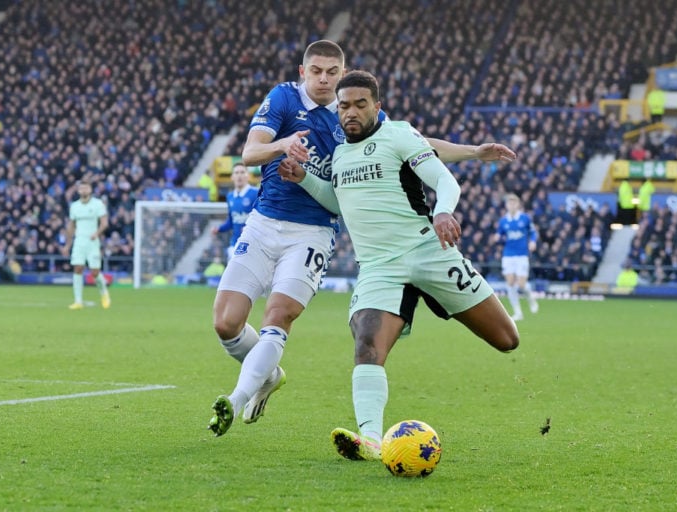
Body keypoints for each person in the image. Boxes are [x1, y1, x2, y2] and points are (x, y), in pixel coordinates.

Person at [207, 41, 518, 438]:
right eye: (317, 72)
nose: (346, 107)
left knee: (506, 340)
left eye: (333, 73)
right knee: (241, 325)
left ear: (364, 95)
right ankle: (356, 431)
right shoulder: (304, 117)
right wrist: (294, 163)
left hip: (380, 242)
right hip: (329, 247)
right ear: (305, 73)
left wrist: (472, 155)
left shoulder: (379, 127)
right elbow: (264, 160)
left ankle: (238, 398)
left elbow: (425, 151)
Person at [278, 70, 519, 461]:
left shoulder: (399, 135)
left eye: (360, 104)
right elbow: (341, 204)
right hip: (378, 266)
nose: (351, 112)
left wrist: (443, 213)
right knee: (366, 344)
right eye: (344, 106)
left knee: (507, 340)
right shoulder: (340, 153)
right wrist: (305, 178)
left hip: (429, 250)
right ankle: (371, 440)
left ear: (377, 106)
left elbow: (446, 182)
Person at [61, 178, 111, 310]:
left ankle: (104, 293)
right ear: (78, 190)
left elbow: (104, 223)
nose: (84, 190)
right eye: (81, 188)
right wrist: (67, 244)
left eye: (86, 188)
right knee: (77, 268)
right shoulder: (74, 206)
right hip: (79, 241)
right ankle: (78, 301)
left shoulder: (98, 204)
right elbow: (71, 226)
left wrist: (97, 233)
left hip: (93, 242)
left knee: (94, 272)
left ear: (90, 190)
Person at [492, 193, 539, 321]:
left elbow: (533, 232)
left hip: (522, 255)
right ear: (506, 205)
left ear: (518, 205)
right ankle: (518, 312)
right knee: (510, 282)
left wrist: (533, 241)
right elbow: (499, 235)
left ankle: (531, 298)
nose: (512, 205)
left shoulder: (525, 218)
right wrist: (497, 238)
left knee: (522, 284)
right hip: (508, 254)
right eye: (509, 203)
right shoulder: (503, 221)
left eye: (514, 203)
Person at [211, 162, 259, 261]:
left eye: (242, 172)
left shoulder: (256, 193)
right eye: (236, 173)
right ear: (232, 177)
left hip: (253, 244)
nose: (239, 175)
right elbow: (231, 221)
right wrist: (219, 229)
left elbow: (262, 219)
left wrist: (250, 227)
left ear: (248, 176)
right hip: (235, 244)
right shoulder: (230, 197)